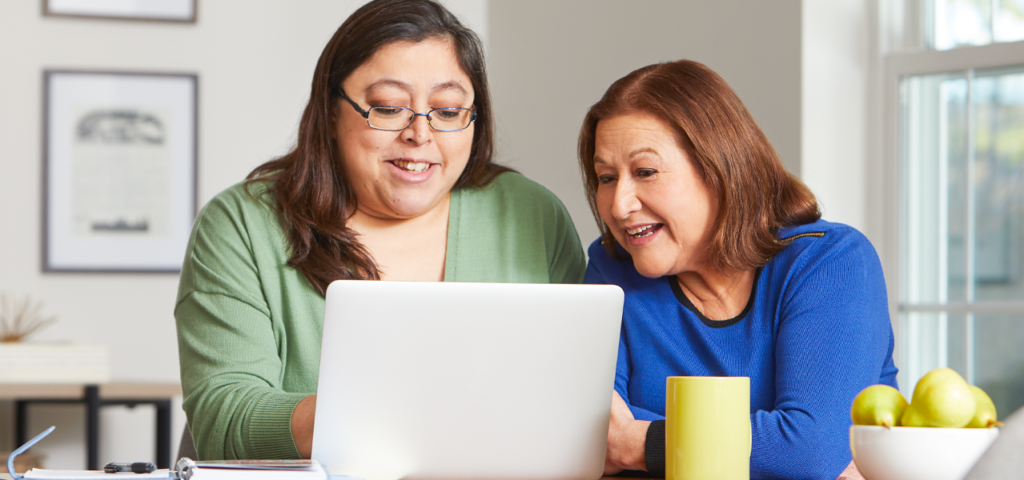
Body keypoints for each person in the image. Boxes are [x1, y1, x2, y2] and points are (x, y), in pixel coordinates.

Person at [175, 0, 585, 460]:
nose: (420, 134)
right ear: (331, 111)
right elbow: (224, 423)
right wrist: (402, 409)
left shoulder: (531, 215)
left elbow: (577, 399)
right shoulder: (242, 224)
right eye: (389, 108)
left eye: (448, 111)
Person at [578, 60, 896, 480]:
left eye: (645, 172)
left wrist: (641, 442)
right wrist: (767, 445)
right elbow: (587, 435)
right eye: (605, 177)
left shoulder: (830, 262)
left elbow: (810, 450)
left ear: (720, 168)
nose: (619, 205)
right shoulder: (610, 267)